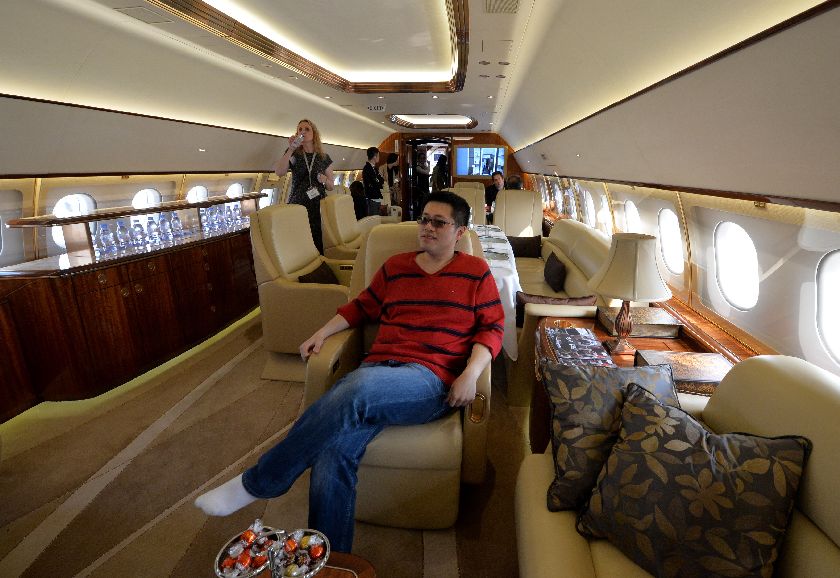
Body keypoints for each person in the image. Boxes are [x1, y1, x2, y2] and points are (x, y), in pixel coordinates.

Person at [194, 192, 504, 553]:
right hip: (380, 369)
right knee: (332, 453)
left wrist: (471, 372)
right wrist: (322, 332)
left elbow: (492, 329)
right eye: (424, 219)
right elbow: (361, 307)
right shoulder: (396, 266)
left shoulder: (474, 272)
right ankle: (330, 560)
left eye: (439, 222)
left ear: (460, 231)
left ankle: (262, 481)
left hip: (430, 380)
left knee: (357, 387)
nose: (428, 228)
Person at [274, 119, 334, 253]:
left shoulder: (323, 157)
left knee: (317, 242)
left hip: (318, 207)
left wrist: (324, 180)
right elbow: (279, 172)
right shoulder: (294, 154)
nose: (303, 132)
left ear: (314, 134)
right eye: (300, 129)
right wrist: (290, 149)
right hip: (298, 205)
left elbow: (331, 186)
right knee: (299, 244)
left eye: (307, 129)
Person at [362, 146, 384, 216]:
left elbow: (381, 180)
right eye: (378, 156)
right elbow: (374, 183)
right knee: (374, 220)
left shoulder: (375, 168)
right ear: (375, 156)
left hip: (377, 197)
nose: (379, 158)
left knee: (377, 218)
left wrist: (378, 181)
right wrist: (378, 181)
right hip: (372, 198)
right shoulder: (367, 169)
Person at [413, 150, 430, 218]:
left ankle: (423, 215)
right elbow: (427, 172)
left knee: (425, 202)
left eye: (424, 158)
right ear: (418, 159)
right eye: (421, 158)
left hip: (425, 187)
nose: (423, 159)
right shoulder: (418, 167)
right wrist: (429, 164)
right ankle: (419, 216)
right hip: (420, 188)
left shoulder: (424, 166)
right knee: (421, 202)